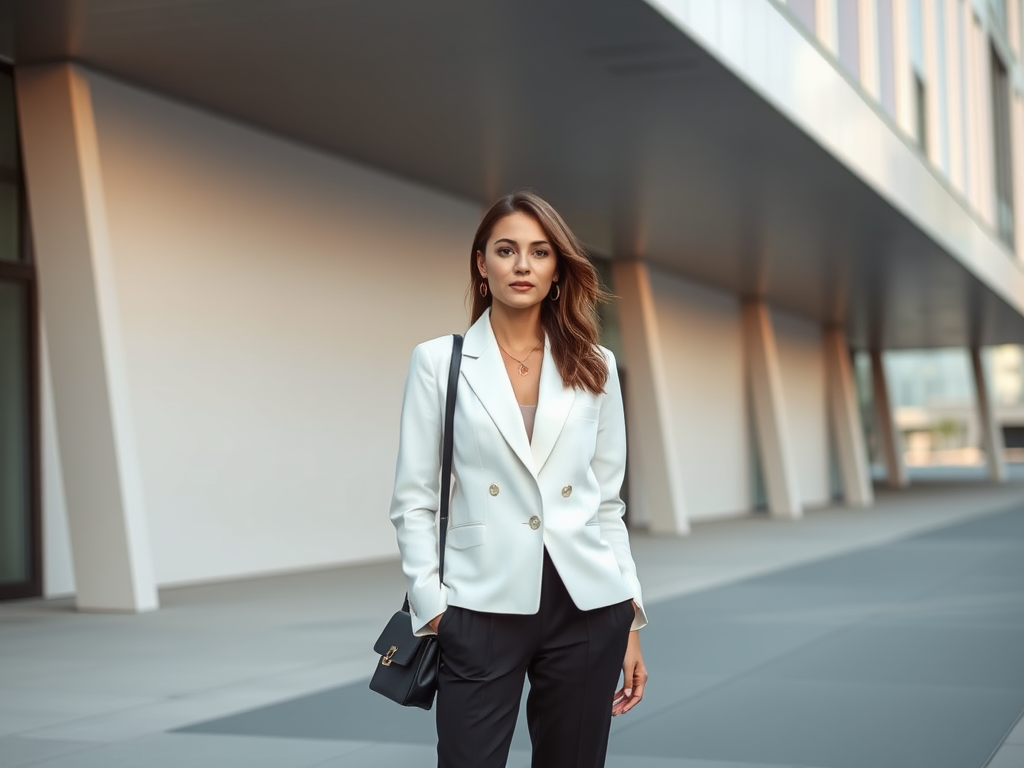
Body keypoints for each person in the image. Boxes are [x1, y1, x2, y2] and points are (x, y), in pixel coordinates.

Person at [389, 191, 648, 768]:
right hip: (480, 603)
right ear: (482, 264)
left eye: (539, 251)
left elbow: (607, 505)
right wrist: (432, 606)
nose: (523, 265)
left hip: (586, 604)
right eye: (506, 250)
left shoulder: (596, 365)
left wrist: (629, 617)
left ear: (558, 269)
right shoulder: (439, 361)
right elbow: (414, 500)